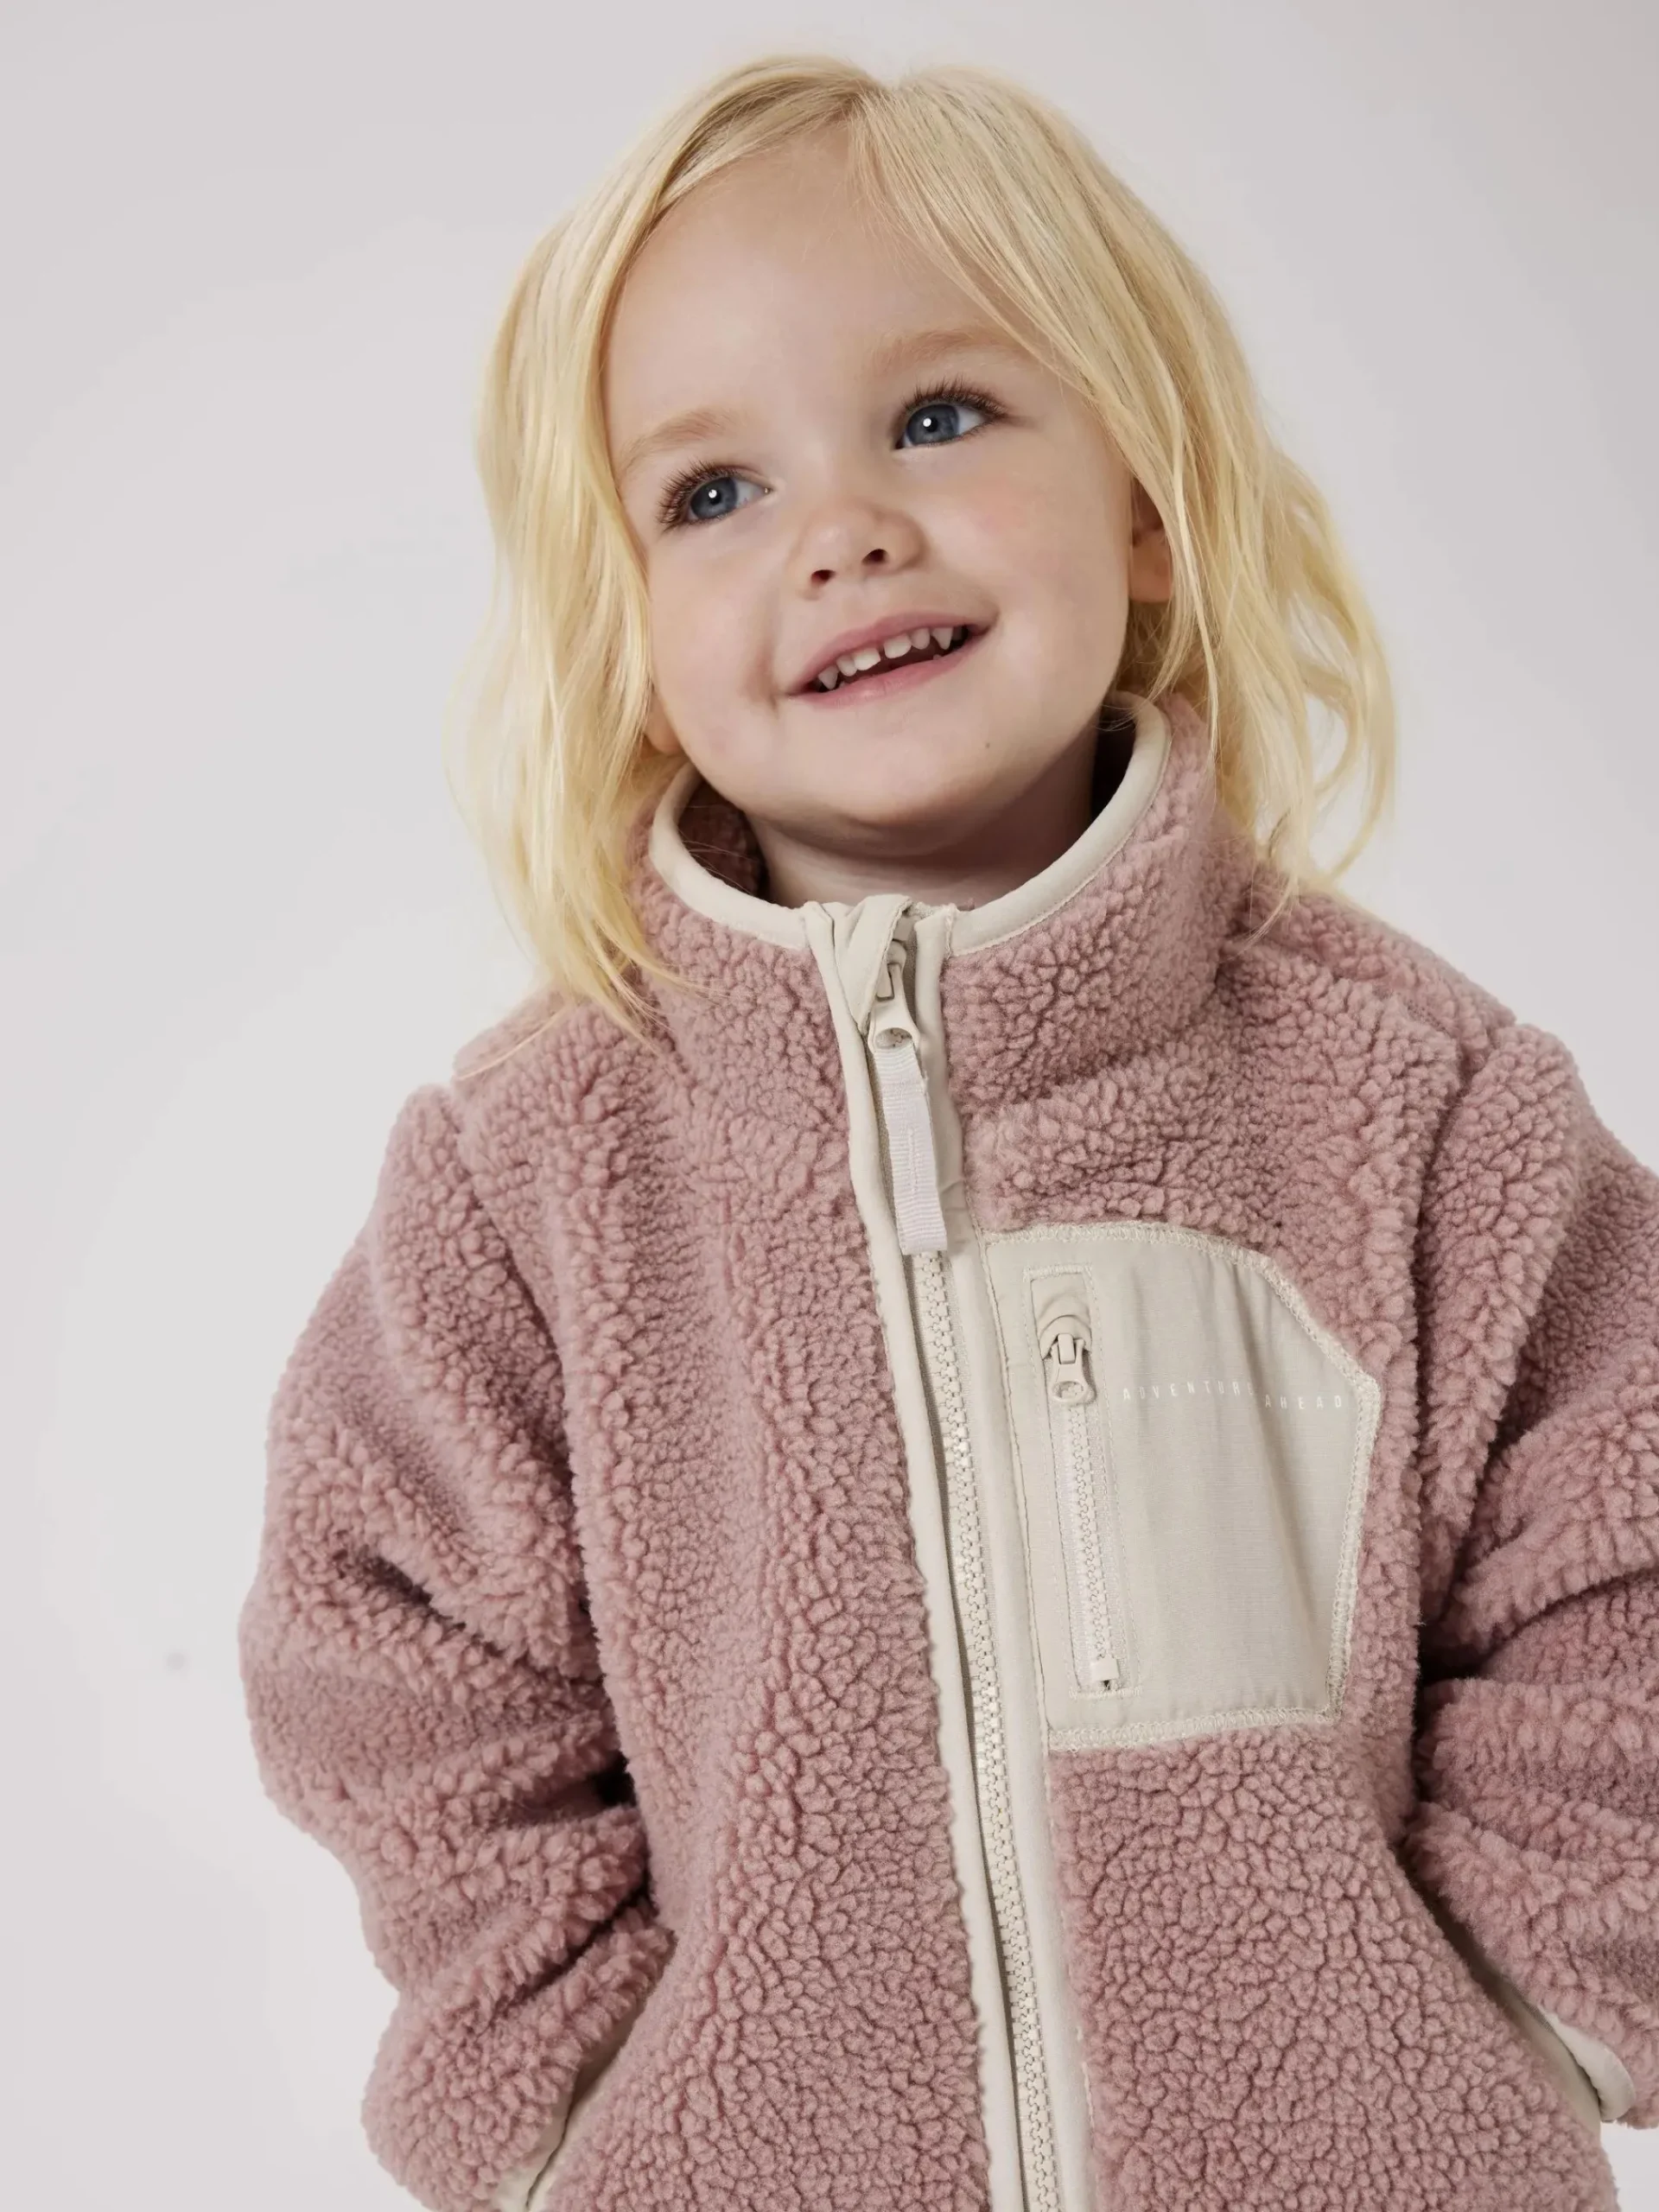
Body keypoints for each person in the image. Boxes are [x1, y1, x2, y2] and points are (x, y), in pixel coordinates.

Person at [236, 51, 1658, 2212]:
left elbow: (1626, 1550)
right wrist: (570, 2105)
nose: (843, 531)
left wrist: (1518, 2019)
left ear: (1146, 502)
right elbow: (390, 1648)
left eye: (939, 416)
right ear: (628, 634)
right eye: (712, 489)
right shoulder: (531, 1180)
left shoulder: (1420, 1103)